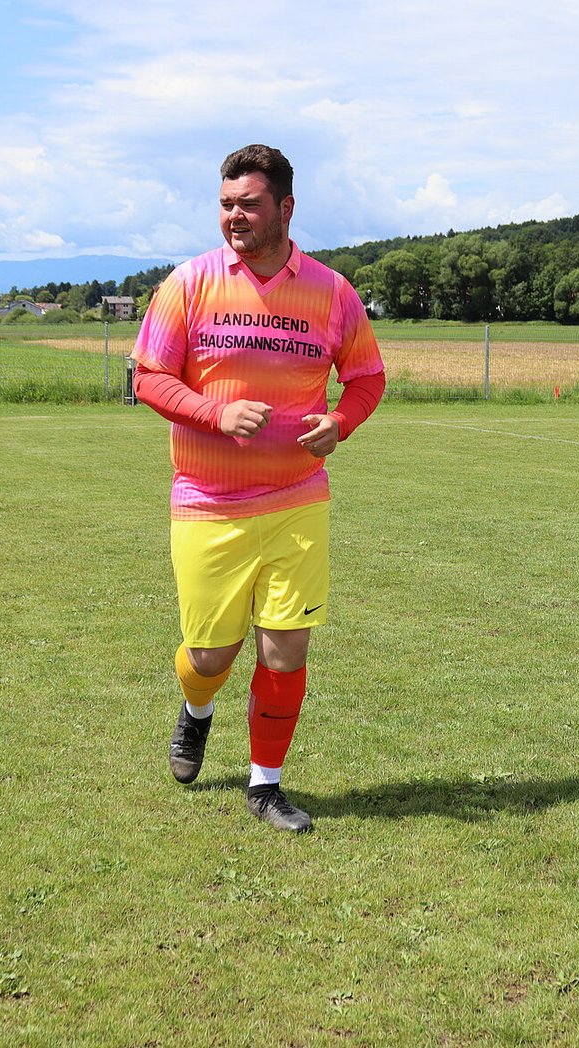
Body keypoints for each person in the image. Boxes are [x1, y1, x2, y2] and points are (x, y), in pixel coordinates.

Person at [130, 144, 385, 833]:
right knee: (209, 655)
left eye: (248, 204)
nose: (234, 217)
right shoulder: (188, 284)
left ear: (285, 208)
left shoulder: (332, 292)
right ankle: (197, 709)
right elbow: (148, 378)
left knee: (285, 647)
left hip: (297, 498)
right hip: (207, 502)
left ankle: (265, 786)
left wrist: (340, 422)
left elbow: (366, 377)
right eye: (225, 205)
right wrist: (215, 413)